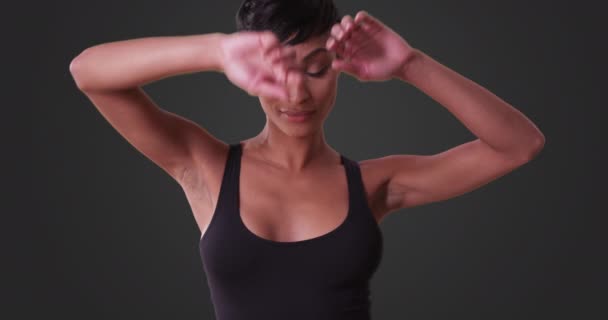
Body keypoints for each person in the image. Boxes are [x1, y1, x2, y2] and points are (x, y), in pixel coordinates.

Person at [69, 0, 545, 319]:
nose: (297, 93)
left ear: (339, 71)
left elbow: (518, 144)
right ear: (249, 75)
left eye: (316, 69)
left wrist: (409, 65)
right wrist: (214, 51)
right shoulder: (206, 167)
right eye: (279, 70)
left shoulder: (374, 183)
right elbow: (88, 72)